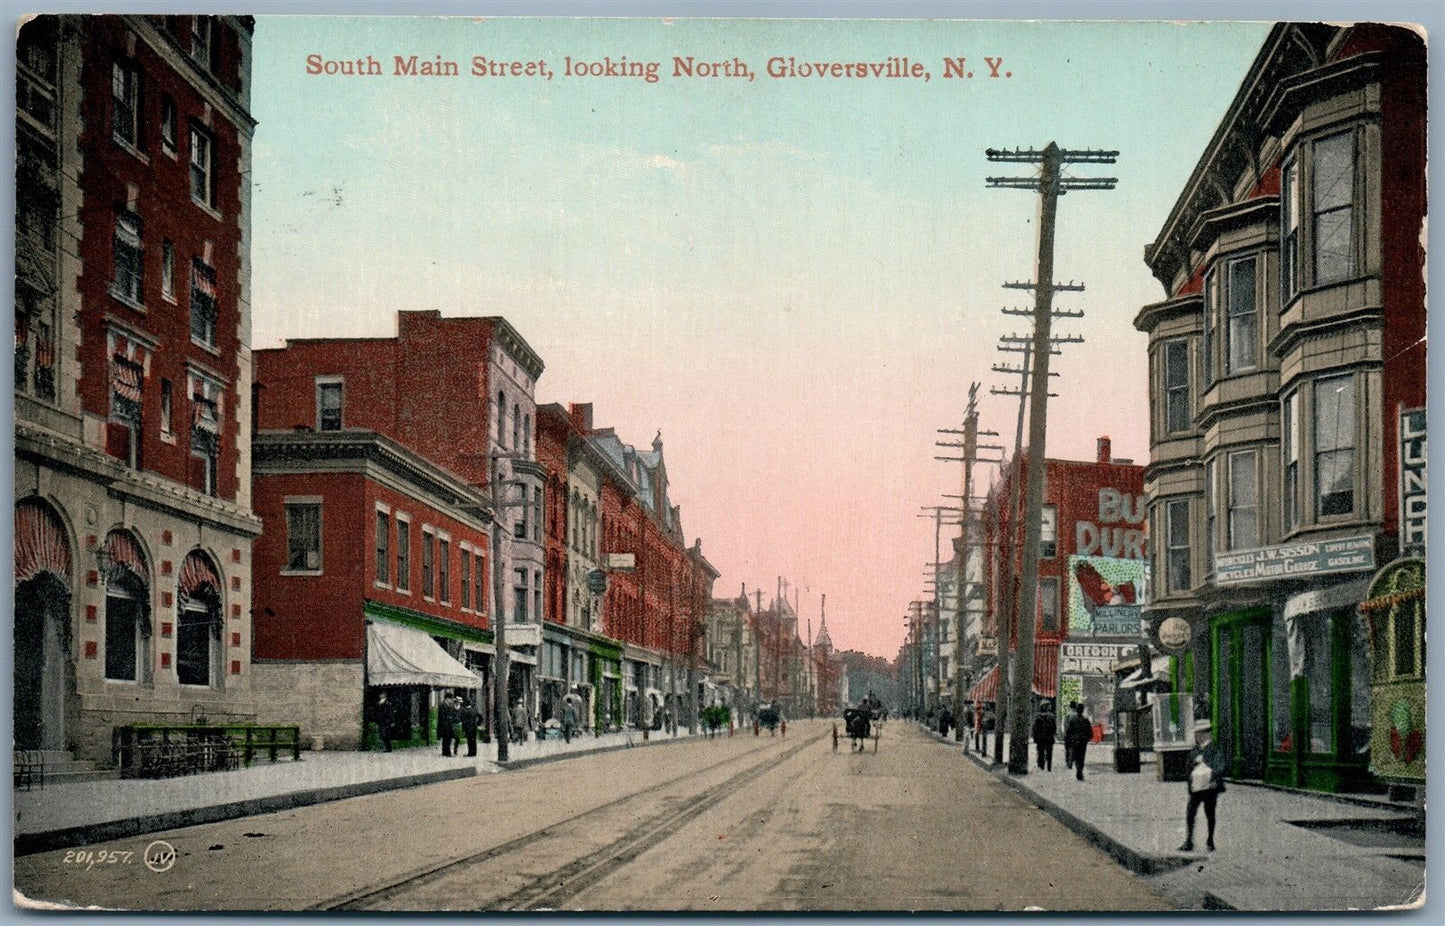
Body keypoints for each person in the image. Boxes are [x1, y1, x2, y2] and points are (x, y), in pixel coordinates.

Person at [1180, 719, 1226, 852]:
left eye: (1198, 734)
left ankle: (1210, 841)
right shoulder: (1195, 750)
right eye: (1196, 734)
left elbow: (1220, 766)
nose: (1196, 736)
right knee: (1190, 813)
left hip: (1210, 788)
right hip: (1196, 788)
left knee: (1210, 814)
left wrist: (1208, 770)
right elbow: (1188, 766)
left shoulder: (1215, 748)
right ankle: (1189, 841)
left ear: (1205, 734)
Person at [1064, 702, 1092, 781]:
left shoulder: (1073, 720)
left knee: (1076, 755)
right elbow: (1090, 732)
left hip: (1075, 741)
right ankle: (1080, 770)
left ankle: (1078, 769)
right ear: (1082, 710)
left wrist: (1069, 738)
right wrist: (1087, 739)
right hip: (1083, 741)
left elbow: (1069, 730)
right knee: (1082, 756)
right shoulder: (1086, 720)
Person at [1032, 706, 1057, 771]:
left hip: (1040, 737)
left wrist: (1035, 737)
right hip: (1049, 737)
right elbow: (1054, 727)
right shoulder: (1051, 716)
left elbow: (1035, 728)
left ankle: (1041, 765)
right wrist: (1053, 734)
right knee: (1049, 752)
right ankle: (1049, 766)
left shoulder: (1038, 717)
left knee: (1040, 752)